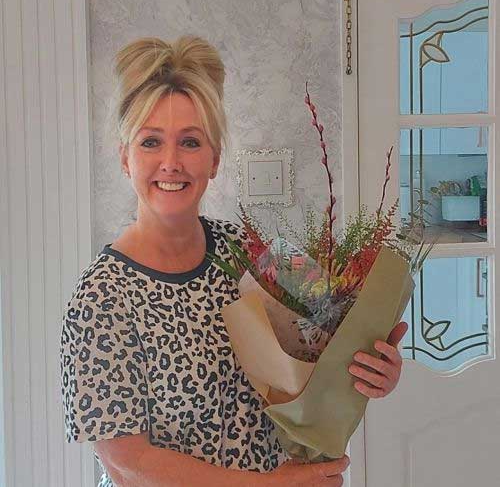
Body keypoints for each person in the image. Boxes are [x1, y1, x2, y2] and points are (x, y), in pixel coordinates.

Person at [60, 35, 407, 487]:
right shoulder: (100, 301)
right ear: (125, 158)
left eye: (190, 142)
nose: (171, 162)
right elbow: (130, 465)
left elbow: (338, 324)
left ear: (215, 159)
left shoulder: (252, 252)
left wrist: (377, 370)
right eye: (150, 142)